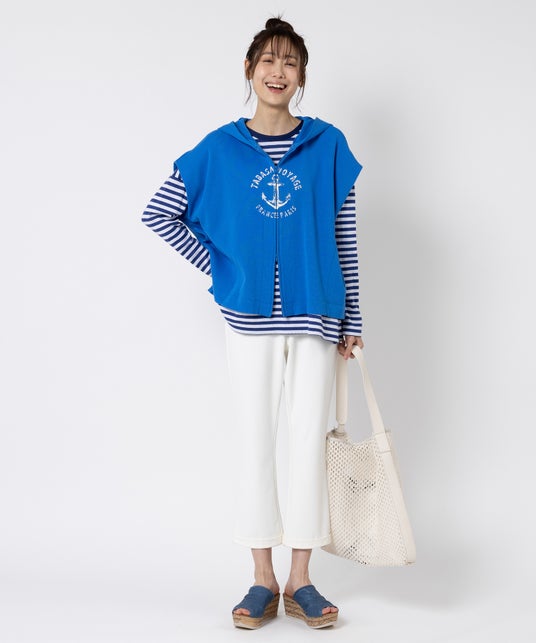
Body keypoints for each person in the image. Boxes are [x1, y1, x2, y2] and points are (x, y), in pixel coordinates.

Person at [141, 17, 364, 629]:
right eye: (268, 59)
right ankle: (262, 578)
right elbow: (161, 212)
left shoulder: (328, 145)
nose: (278, 71)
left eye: (290, 62)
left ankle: (301, 579)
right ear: (249, 69)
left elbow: (344, 234)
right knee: (256, 442)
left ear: (302, 76)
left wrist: (353, 316)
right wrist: (225, 270)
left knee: (308, 443)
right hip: (249, 322)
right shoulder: (219, 149)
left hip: (317, 315)